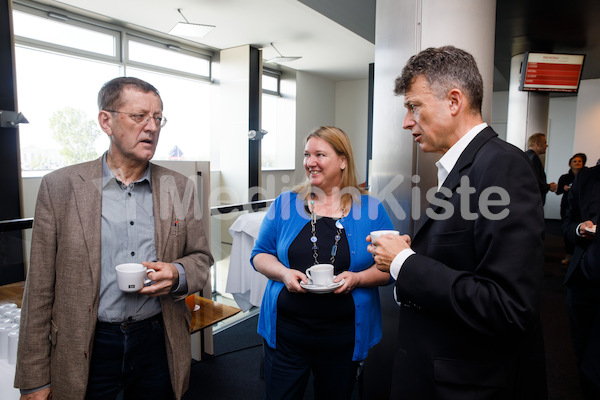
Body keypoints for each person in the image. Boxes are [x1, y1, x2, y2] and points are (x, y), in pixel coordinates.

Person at [14, 77, 213, 400]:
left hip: (156, 340)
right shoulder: (60, 187)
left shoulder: (179, 187)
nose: (152, 127)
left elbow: (201, 259)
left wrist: (177, 273)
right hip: (87, 342)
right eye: (139, 117)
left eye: (158, 118)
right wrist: (34, 379)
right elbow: (38, 289)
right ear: (106, 121)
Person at [369, 46, 547, 399]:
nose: (407, 122)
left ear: (454, 101)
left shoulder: (502, 167)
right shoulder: (468, 167)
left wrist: (405, 263)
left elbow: (507, 306)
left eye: (413, 107)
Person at [251, 126, 394, 400]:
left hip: (343, 339)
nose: (310, 162)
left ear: (342, 161)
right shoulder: (285, 203)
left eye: (319, 154)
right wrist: (283, 274)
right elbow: (260, 254)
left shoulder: (372, 209)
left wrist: (358, 279)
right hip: (286, 336)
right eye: (307, 155)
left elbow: (390, 266)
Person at [562, 164, 600, 399]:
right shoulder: (586, 178)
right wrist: (578, 229)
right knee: (583, 351)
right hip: (583, 282)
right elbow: (567, 222)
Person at [556, 153, 587, 265]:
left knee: (583, 231)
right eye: (575, 161)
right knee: (567, 230)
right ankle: (569, 254)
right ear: (570, 164)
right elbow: (558, 191)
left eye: (580, 161)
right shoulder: (565, 177)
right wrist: (564, 188)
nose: (577, 163)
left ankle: (581, 255)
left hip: (582, 207)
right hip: (567, 206)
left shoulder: (587, 176)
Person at [525, 132, 557, 205]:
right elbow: (534, 180)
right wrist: (549, 187)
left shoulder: (525, 155)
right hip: (533, 201)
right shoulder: (534, 158)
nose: (547, 145)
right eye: (545, 143)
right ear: (537, 144)